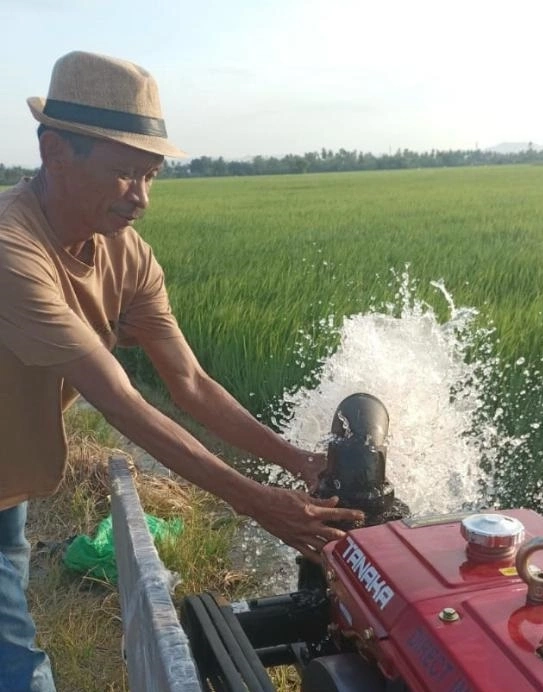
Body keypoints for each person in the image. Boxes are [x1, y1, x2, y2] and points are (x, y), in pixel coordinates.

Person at [0, 50, 364, 691]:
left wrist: (295, 460)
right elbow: (116, 398)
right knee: (14, 650)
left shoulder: (127, 254)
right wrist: (256, 503)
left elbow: (189, 383)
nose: (141, 198)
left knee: (9, 569)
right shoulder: (11, 248)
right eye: (123, 175)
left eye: (152, 176)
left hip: (12, 461)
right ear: (55, 152)